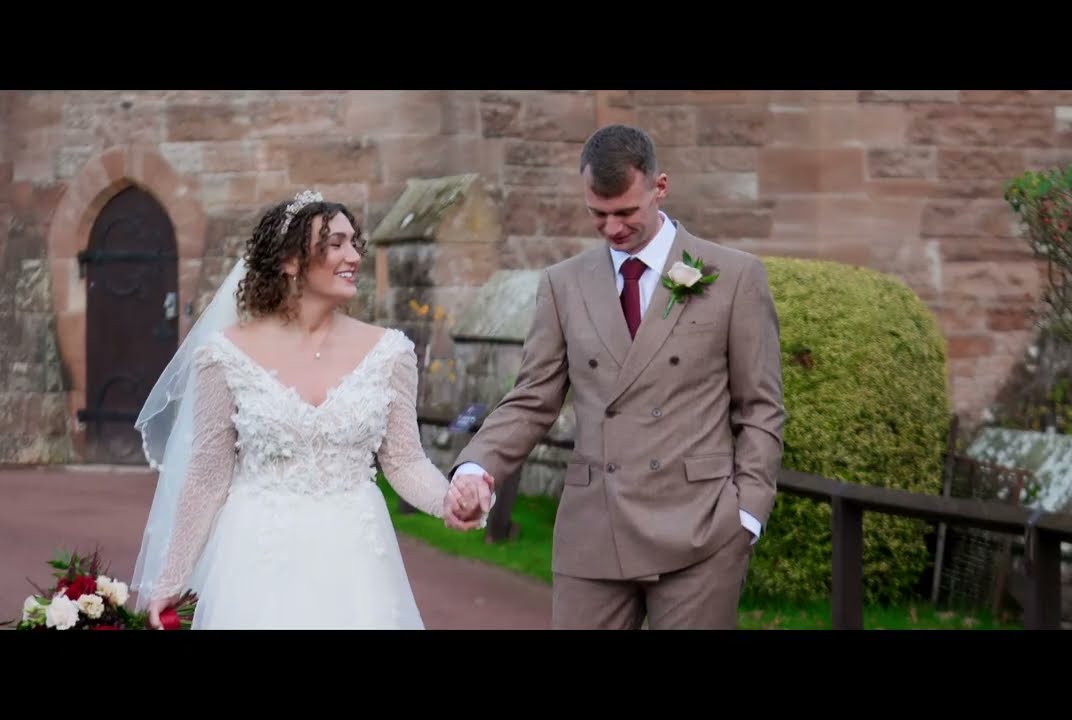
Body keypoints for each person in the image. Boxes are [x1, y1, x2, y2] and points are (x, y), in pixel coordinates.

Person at [451, 124, 785, 629]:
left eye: (626, 212)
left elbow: (759, 406)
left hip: (701, 528)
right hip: (593, 530)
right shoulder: (563, 284)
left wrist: (749, 514)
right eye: (598, 214)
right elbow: (532, 399)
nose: (612, 229)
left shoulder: (734, 276)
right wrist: (476, 467)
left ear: (660, 188)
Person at [130, 190, 493, 630]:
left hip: (356, 562)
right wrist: (171, 578)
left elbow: (404, 460)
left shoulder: (390, 353)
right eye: (335, 243)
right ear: (289, 261)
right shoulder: (224, 356)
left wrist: (449, 501)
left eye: (353, 242)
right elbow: (207, 474)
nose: (354, 256)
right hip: (256, 560)